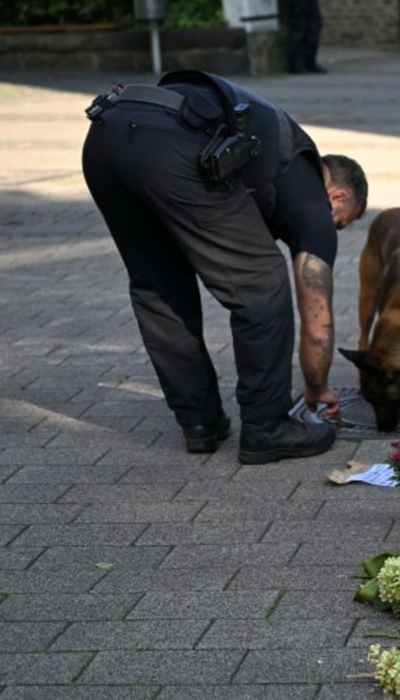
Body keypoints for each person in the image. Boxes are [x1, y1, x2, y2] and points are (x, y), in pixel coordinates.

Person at [81, 71, 368, 464]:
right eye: (341, 222)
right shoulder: (313, 197)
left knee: (159, 286)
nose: (331, 230)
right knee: (262, 284)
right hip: (171, 142)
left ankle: (199, 422)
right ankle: (267, 427)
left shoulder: (275, 151)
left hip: (107, 132)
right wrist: (317, 388)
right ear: (337, 196)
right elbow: (318, 328)